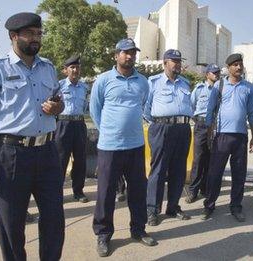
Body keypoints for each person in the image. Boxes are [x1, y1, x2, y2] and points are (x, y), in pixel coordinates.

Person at [0, 12, 65, 260]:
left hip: (47, 152)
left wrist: (57, 108)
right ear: (14, 36)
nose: (37, 38)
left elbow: (59, 103)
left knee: (55, 220)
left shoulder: (48, 67)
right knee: (11, 225)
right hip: (10, 155)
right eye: (31, 34)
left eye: (39, 34)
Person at [90, 38, 157, 257]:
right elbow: (95, 109)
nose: (130, 56)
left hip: (135, 145)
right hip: (109, 146)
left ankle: (138, 230)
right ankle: (103, 234)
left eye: (133, 53)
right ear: (116, 55)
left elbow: (144, 105)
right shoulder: (104, 79)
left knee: (138, 190)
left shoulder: (142, 82)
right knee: (106, 192)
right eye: (125, 53)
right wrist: (109, 131)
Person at [201, 53, 253, 222]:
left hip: (240, 136)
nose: (239, 67)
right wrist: (210, 132)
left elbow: (252, 113)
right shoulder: (219, 85)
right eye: (235, 65)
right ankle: (209, 205)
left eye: (241, 64)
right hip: (221, 136)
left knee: (239, 174)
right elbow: (210, 110)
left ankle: (236, 206)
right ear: (229, 67)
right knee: (215, 173)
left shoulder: (248, 87)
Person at [143, 49, 192, 226]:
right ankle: (152, 209)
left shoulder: (185, 83)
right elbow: (145, 107)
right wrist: (158, 123)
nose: (178, 64)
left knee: (178, 169)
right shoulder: (153, 82)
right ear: (165, 63)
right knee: (158, 169)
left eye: (179, 61)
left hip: (183, 129)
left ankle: (172, 207)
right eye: (174, 61)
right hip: (162, 128)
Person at [55, 54, 89, 203]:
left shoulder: (84, 87)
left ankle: (78, 191)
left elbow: (87, 108)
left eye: (77, 67)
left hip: (79, 124)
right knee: (60, 160)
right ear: (65, 70)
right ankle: (56, 192)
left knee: (80, 159)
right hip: (63, 125)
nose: (75, 70)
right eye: (72, 67)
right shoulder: (59, 86)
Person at [185, 63, 220, 203]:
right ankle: (193, 190)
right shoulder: (199, 89)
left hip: (215, 125)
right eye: (213, 73)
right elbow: (191, 105)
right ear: (207, 74)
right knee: (199, 158)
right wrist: (199, 120)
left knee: (211, 159)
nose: (216, 75)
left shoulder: (220, 89)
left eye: (217, 73)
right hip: (201, 124)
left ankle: (205, 188)